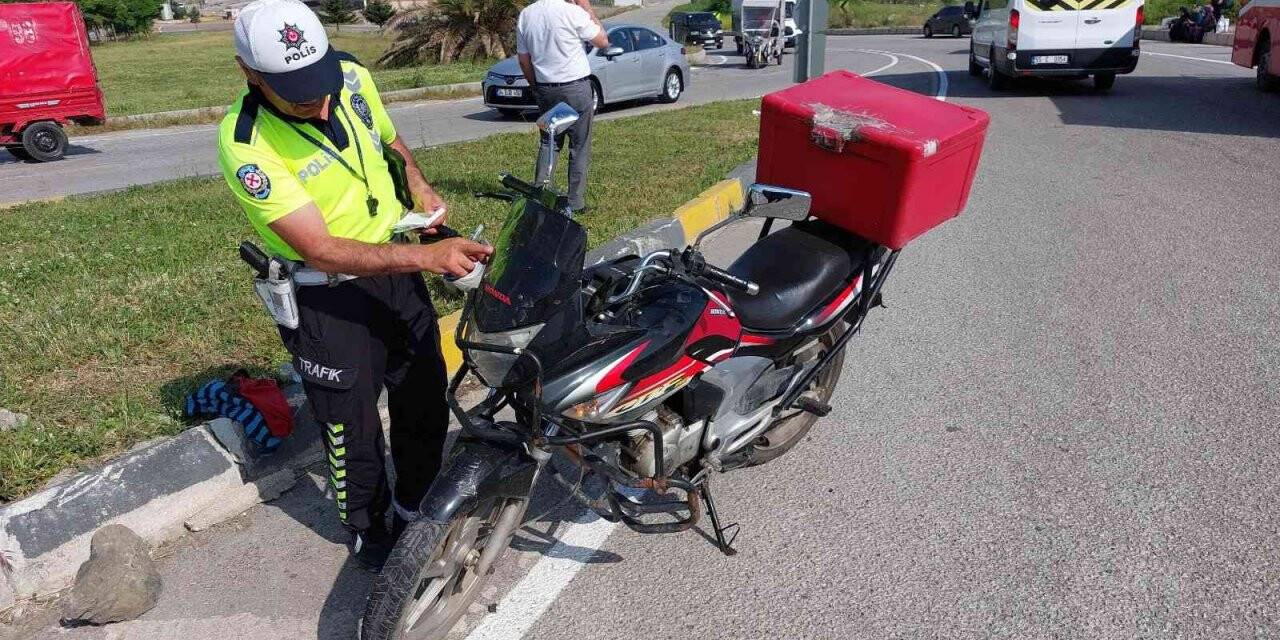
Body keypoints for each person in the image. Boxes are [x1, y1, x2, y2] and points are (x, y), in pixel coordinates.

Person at [216, 0, 492, 568]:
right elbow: (318, 246)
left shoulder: (350, 77)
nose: (318, 100)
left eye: (319, 82)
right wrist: (429, 258)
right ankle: (371, 530)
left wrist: (417, 185)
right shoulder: (246, 143)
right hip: (328, 298)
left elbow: (389, 142)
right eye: (296, 91)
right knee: (351, 429)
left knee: (422, 396)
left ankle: (418, 506)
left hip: (398, 273)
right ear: (249, 73)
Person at [516, 0, 610, 213]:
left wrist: (536, 87)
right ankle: (576, 203)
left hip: (546, 88)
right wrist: (587, 7)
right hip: (575, 87)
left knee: (549, 142)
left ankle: (539, 195)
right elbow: (603, 40)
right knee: (579, 146)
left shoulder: (526, 15)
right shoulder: (573, 12)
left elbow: (523, 60)